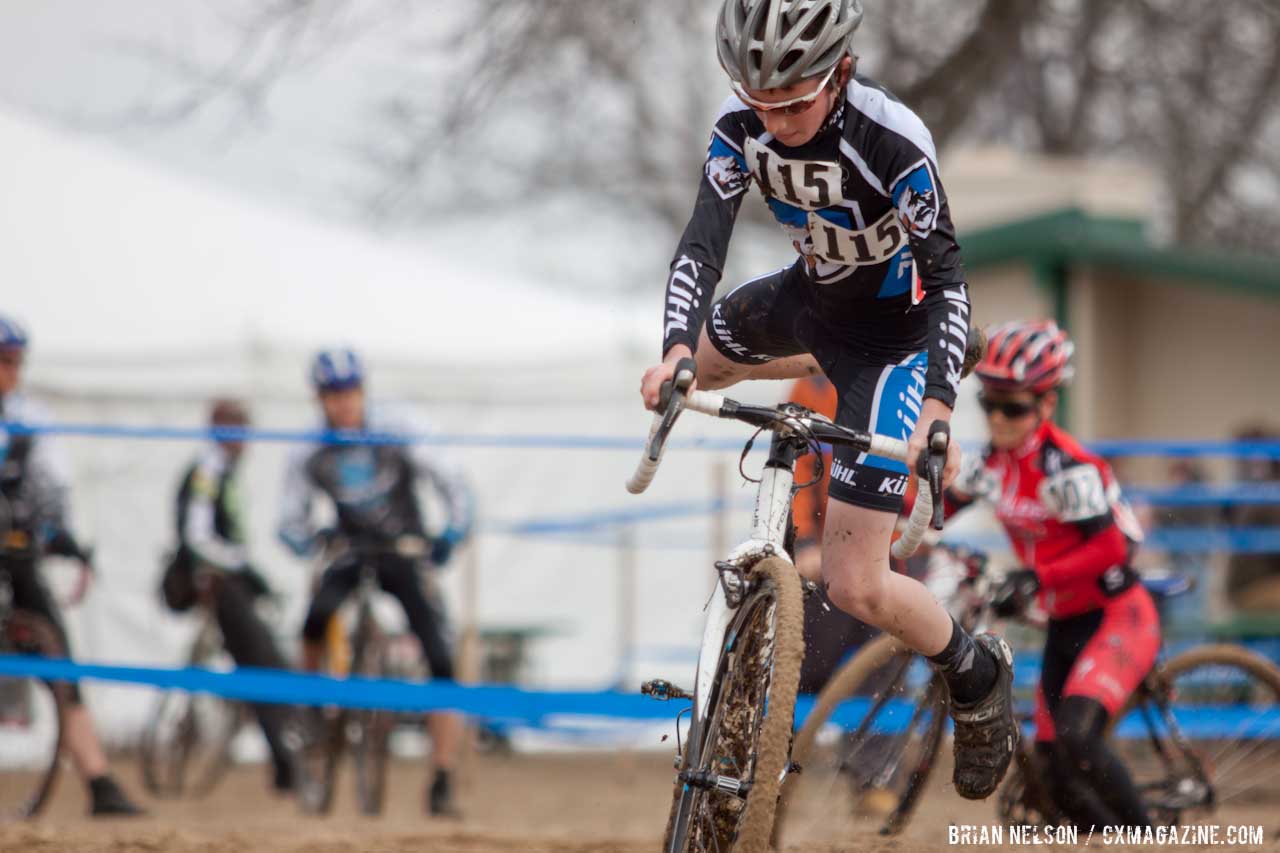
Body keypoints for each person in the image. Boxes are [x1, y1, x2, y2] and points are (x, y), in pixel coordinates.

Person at [638, 0, 1016, 800]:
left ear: (840, 70)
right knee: (698, 372)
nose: (774, 120)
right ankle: (814, 362)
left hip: (897, 338)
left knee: (856, 585)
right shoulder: (741, 127)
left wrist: (940, 405)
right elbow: (701, 241)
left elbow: (950, 284)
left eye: (794, 102)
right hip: (810, 304)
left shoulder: (892, 138)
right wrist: (673, 346)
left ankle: (977, 674)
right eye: (758, 102)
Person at [952, 319, 1160, 828]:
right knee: (1055, 775)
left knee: (1076, 739)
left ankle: (1150, 837)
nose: (998, 417)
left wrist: (1037, 577)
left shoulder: (1067, 467)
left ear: (1046, 404)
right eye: (988, 402)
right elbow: (928, 507)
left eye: (1014, 406)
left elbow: (1112, 549)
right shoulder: (992, 463)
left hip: (1115, 615)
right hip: (1064, 622)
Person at [278, 348, 473, 817]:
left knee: (440, 656)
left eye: (349, 393)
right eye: (331, 395)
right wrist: (310, 540)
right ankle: (309, 712)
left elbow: (453, 481)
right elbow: (288, 520)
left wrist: (451, 532)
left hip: (404, 547)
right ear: (318, 398)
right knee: (314, 620)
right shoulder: (308, 448)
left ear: (362, 391)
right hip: (348, 549)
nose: (341, 404)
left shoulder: (399, 427)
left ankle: (442, 776)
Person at [0, 314, 144, 816]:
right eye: (1, 361)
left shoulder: (29, 418)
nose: (7, 371)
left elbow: (53, 483)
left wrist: (60, 534)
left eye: (14, 362)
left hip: (15, 553)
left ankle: (99, 782)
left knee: (62, 662)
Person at [163, 399, 295, 792]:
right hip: (212, 583)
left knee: (260, 662)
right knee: (262, 662)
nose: (241, 438)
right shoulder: (208, 470)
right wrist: (242, 568)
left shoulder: (227, 472)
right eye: (233, 427)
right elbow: (197, 537)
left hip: (226, 579)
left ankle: (282, 755)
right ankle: (284, 759)